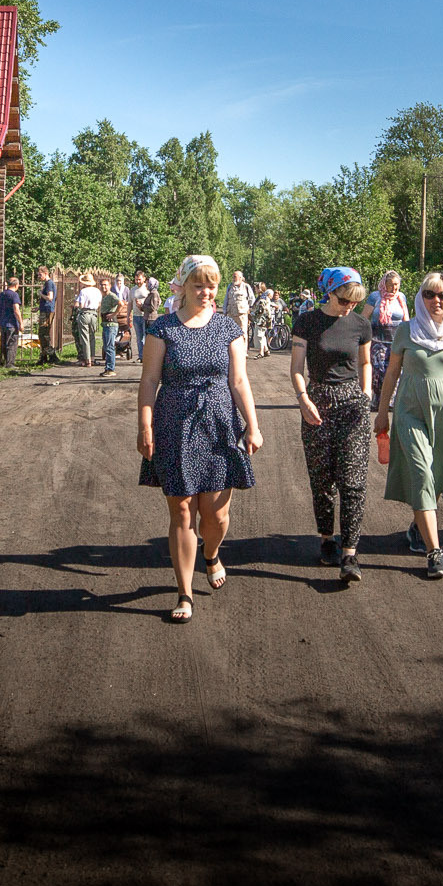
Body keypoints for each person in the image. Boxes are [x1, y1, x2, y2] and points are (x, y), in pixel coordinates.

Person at [139, 254, 263, 623]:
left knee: (217, 514)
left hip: (219, 424)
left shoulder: (228, 328)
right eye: (199, 285)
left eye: (211, 285)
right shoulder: (162, 328)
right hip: (173, 424)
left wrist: (252, 425)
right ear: (183, 286)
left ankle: (211, 553)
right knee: (182, 511)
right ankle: (185, 592)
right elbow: (149, 381)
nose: (207, 292)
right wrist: (145, 426)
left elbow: (239, 381)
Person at [373, 271, 443, 579]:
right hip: (410, 412)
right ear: (420, 298)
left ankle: (417, 526)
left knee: (435, 475)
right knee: (421, 472)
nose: (437, 300)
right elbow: (392, 374)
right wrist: (383, 413)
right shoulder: (407, 331)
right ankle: (435, 553)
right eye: (430, 295)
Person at [290, 267, 375, 583]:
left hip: (353, 403)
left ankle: (350, 554)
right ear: (328, 292)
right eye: (343, 300)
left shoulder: (361, 325)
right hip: (317, 401)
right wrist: (302, 398)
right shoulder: (307, 322)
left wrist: (366, 394)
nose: (348, 307)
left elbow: (365, 363)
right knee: (322, 479)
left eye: (353, 302)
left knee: (353, 481)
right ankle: (327, 539)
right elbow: (297, 368)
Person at [366, 270, 408, 409]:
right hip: (378, 340)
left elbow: (405, 317)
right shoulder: (375, 297)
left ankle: (391, 401)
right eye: (391, 285)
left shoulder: (401, 297)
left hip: (397, 340)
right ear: (385, 284)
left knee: (396, 370)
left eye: (397, 284)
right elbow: (364, 316)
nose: (394, 288)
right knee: (379, 370)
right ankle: (377, 399)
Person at [130, 271, 160, 362]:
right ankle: (142, 356)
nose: (138, 281)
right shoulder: (133, 290)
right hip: (137, 315)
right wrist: (129, 315)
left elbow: (154, 306)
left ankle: (148, 356)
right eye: (136, 279)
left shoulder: (152, 292)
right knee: (139, 338)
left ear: (144, 279)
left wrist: (142, 306)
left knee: (146, 338)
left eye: (139, 279)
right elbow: (130, 303)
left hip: (148, 317)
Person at [74, 272, 102, 367]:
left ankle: (87, 359)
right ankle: (93, 358)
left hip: (84, 314)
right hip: (94, 314)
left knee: (85, 338)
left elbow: (80, 305)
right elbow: (99, 304)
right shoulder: (97, 291)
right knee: (92, 336)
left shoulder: (83, 291)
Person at [98, 272, 123, 375]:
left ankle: (111, 369)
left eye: (106, 285)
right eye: (102, 285)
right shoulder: (104, 296)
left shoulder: (112, 296)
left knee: (109, 347)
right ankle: (108, 368)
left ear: (110, 286)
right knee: (107, 346)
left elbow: (121, 304)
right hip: (105, 324)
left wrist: (114, 314)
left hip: (111, 325)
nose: (104, 287)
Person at [0, 276, 22, 369]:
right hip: (12, 323)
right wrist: (21, 323)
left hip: (3, 322)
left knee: (3, 343)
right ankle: (10, 363)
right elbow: (16, 310)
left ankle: (2, 362)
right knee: (12, 343)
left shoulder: (2, 294)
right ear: (16, 285)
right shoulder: (14, 295)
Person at [37, 268, 58, 365]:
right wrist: (38, 307)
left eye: (40, 274)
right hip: (45, 310)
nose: (39, 276)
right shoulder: (48, 283)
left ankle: (51, 355)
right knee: (43, 334)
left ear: (46, 274)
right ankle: (45, 356)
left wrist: (41, 294)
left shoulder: (49, 283)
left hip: (47, 311)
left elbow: (50, 297)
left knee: (43, 334)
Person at [225, 269, 254, 335]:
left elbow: (252, 300)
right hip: (231, 314)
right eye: (233, 277)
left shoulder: (246, 286)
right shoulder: (230, 287)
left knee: (242, 333)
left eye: (235, 276)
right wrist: (225, 311)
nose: (233, 278)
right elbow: (226, 299)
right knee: (230, 333)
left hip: (242, 315)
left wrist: (247, 308)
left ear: (240, 277)